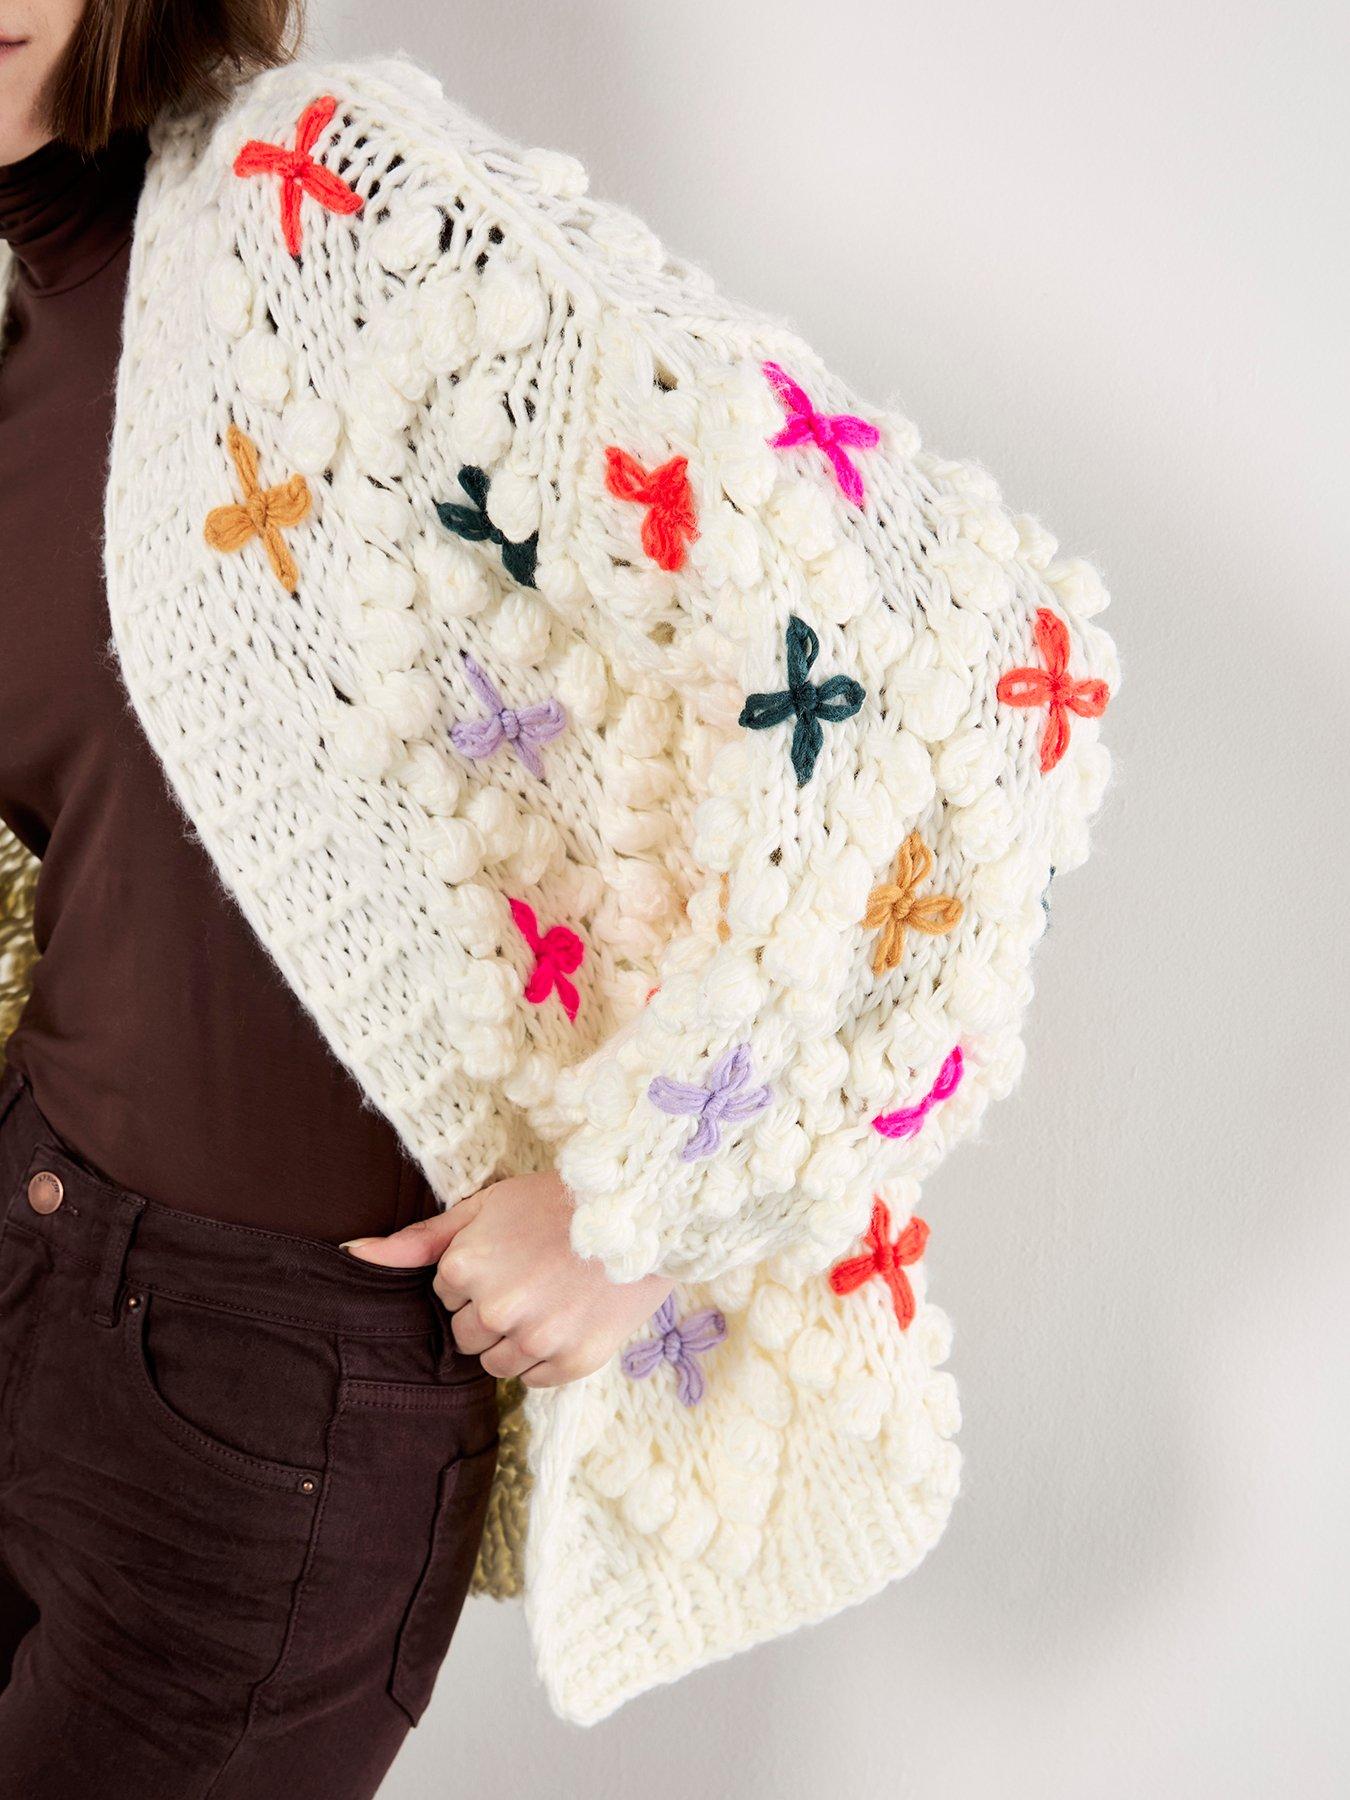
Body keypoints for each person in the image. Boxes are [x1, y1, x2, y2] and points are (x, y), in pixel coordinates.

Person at [0, 1, 1117, 1793]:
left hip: (257, 1408)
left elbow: (976, 657)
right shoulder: (20, 330)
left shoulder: (318, 208)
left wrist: (639, 1201)